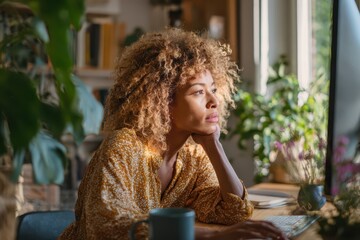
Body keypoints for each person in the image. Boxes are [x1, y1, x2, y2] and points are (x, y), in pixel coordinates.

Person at [60, 28, 287, 240]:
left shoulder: (193, 154)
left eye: (214, 90)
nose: (214, 101)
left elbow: (233, 212)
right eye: (198, 92)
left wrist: (213, 145)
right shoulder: (123, 146)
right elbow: (110, 225)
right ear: (162, 101)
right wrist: (209, 237)